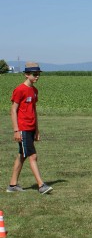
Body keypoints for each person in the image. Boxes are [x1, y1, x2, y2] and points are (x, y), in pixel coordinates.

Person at [7, 62, 53, 194]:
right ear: (26, 75)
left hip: (31, 128)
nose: (37, 76)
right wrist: (16, 130)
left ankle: (12, 185)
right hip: (23, 128)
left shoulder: (34, 91)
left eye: (38, 74)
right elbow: (13, 110)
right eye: (35, 74)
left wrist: (37, 130)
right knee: (32, 156)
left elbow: (33, 110)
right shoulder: (20, 90)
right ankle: (41, 185)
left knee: (22, 155)